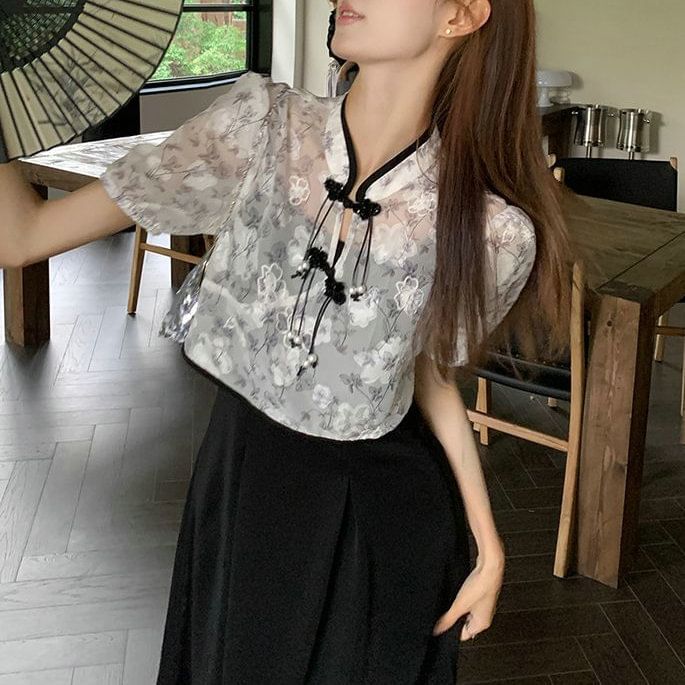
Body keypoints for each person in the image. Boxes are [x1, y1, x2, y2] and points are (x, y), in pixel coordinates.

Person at [0, 0, 573, 682]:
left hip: (380, 525)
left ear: (462, 15)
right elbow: (23, 237)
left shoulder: (491, 229)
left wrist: (488, 544)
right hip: (241, 484)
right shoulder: (260, 126)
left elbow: (428, 376)